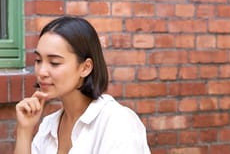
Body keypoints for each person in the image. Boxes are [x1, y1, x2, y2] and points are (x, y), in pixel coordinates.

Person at [15, 16, 151, 154]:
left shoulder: (116, 122)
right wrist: (24, 131)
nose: (41, 72)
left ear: (85, 68)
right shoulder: (49, 125)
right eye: (38, 60)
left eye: (54, 62)